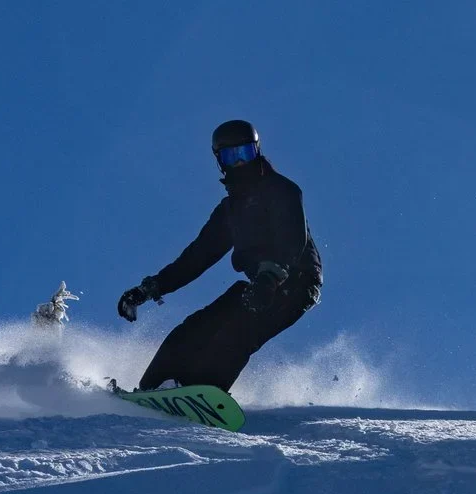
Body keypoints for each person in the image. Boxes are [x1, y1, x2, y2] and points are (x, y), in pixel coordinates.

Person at [116, 120, 323, 393]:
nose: (239, 163)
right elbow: (197, 257)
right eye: (230, 156)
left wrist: (270, 276)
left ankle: (204, 392)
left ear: (257, 151)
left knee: (238, 331)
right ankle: (153, 390)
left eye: (244, 154)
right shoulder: (230, 212)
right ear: (220, 161)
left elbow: (292, 240)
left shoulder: (282, 191)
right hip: (259, 285)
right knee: (193, 329)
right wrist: (150, 288)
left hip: (295, 281)